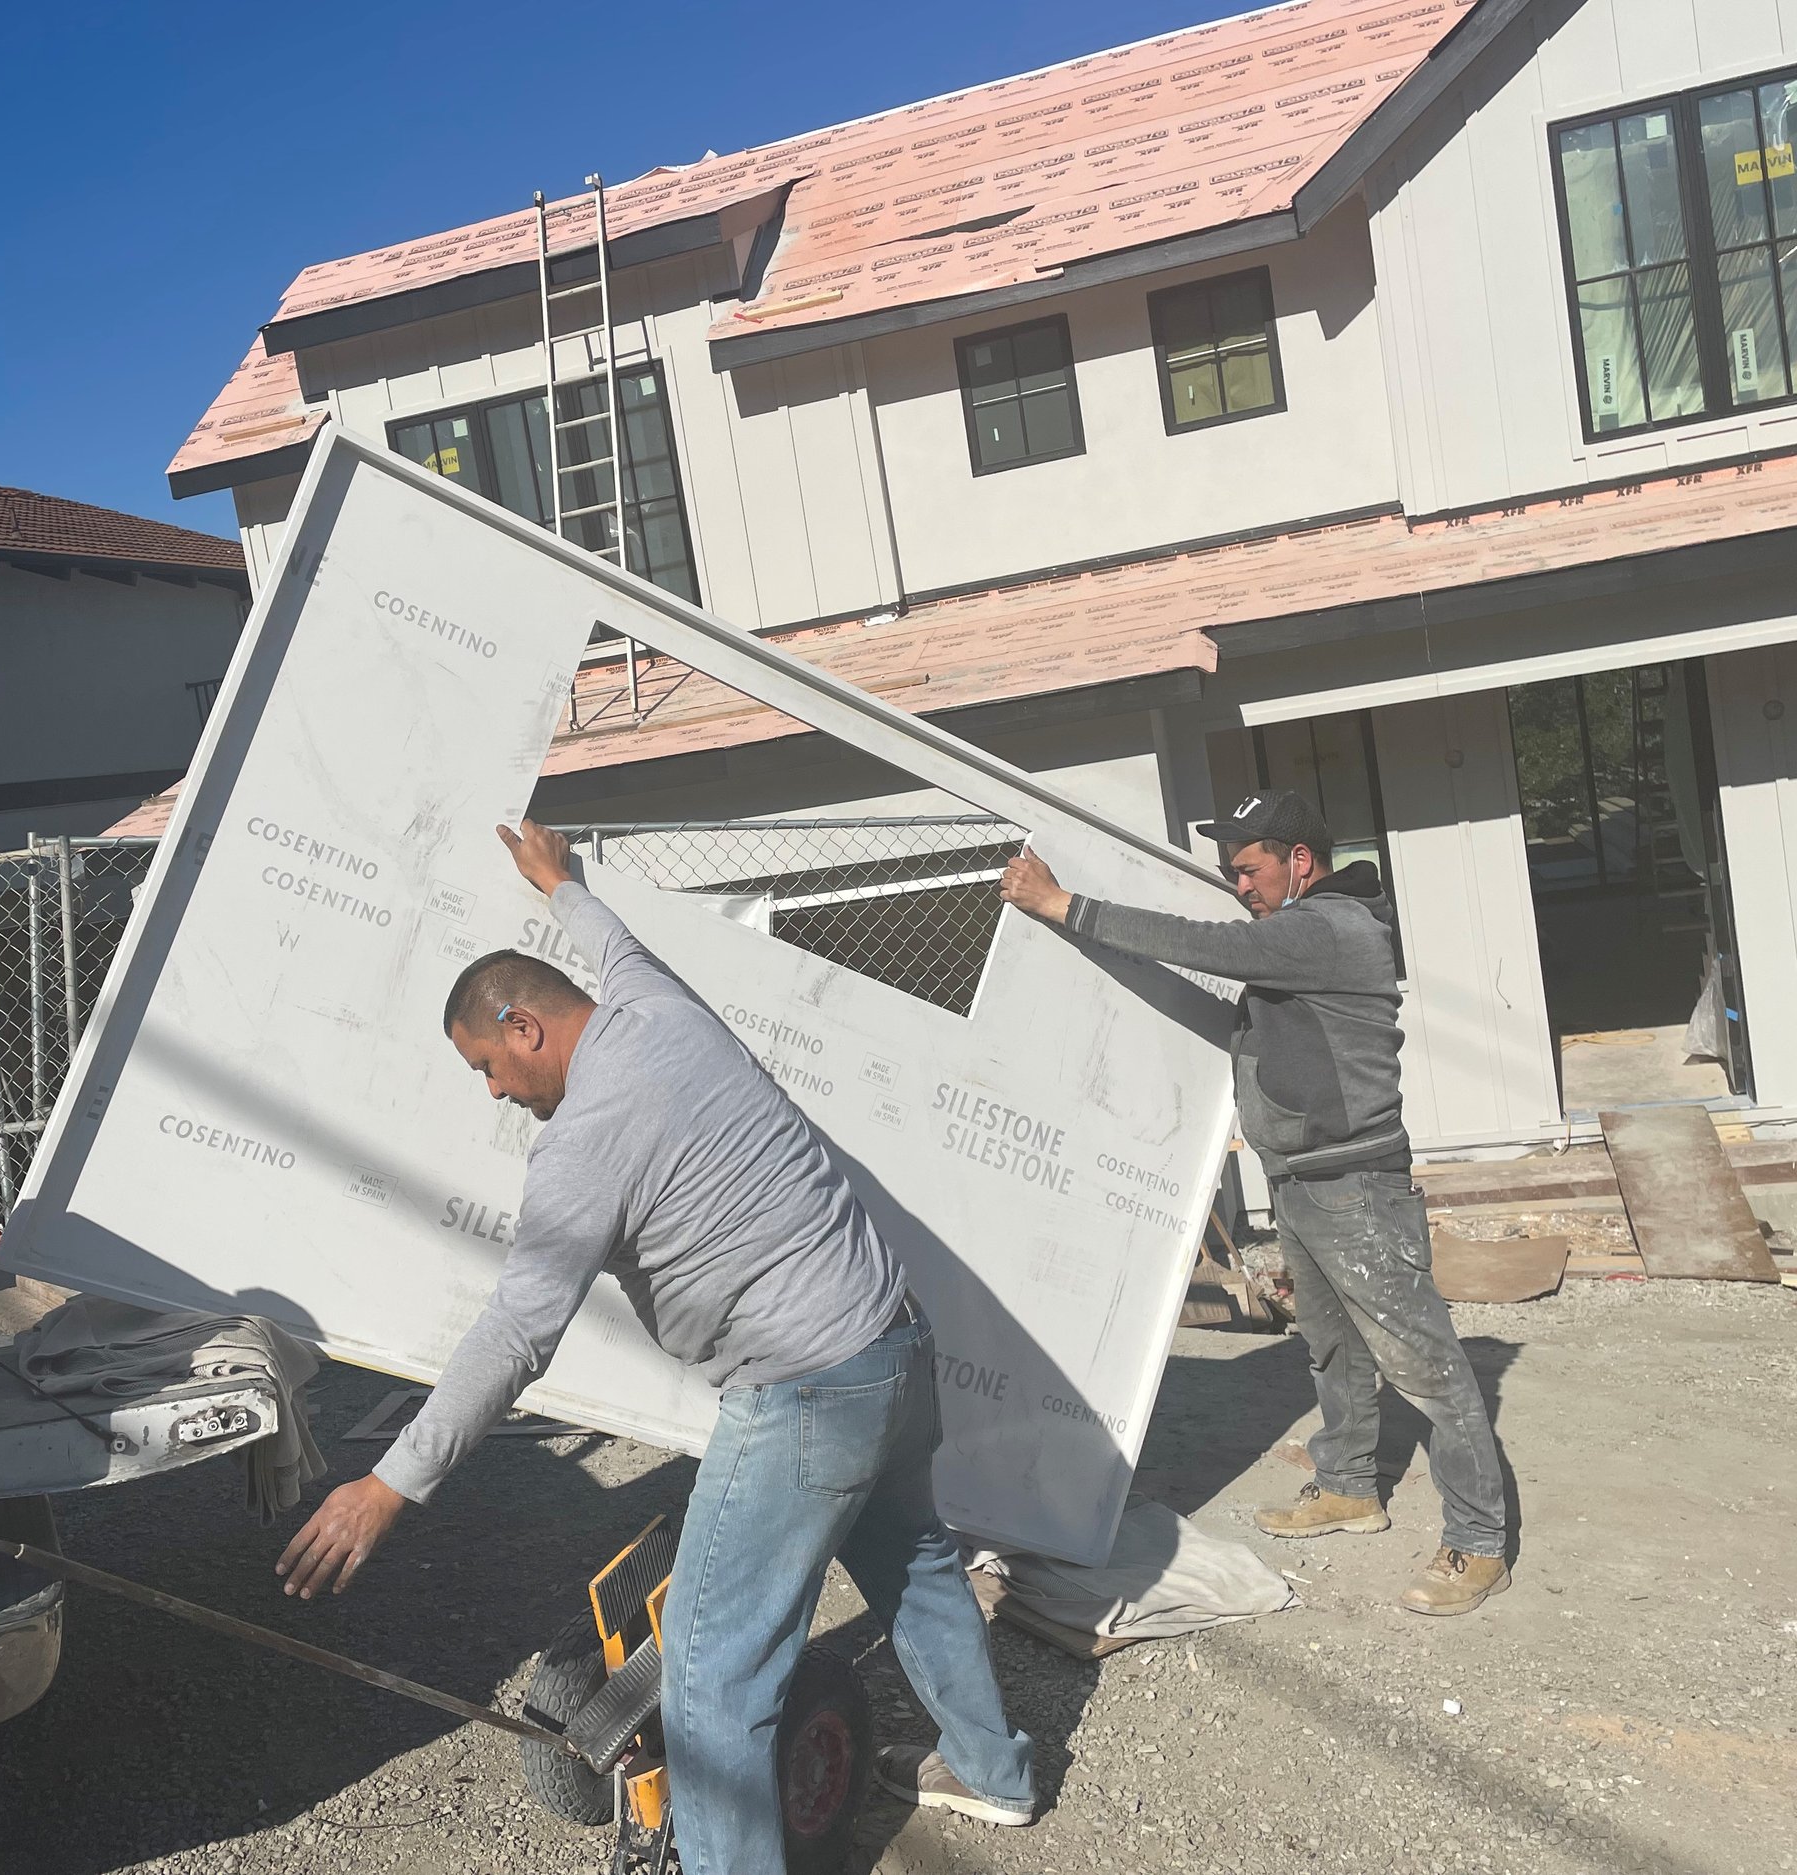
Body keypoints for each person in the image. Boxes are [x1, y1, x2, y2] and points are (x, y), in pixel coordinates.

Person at [277, 819, 1037, 1872]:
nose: (494, 1092)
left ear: (523, 1027)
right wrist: (558, 886)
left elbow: (518, 1330)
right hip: (895, 1345)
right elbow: (612, 939)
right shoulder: (654, 1003)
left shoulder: (585, 1138)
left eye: (486, 1066)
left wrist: (390, 1484)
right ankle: (995, 1774)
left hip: (805, 1392)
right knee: (913, 1565)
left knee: (717, 1677)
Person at [998, 791, 1511, 1616]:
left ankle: (1480, 1540)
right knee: (1332, 1351)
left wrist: (1062, 904)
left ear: (1299, 860)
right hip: (1305, 1181)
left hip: (1356, 1186)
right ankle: (1348, 1487)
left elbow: (1199, 944)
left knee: (1427, 1367)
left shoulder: (1328, 928)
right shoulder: (1303, 934)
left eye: (1248, 868)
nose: (1240, 886)